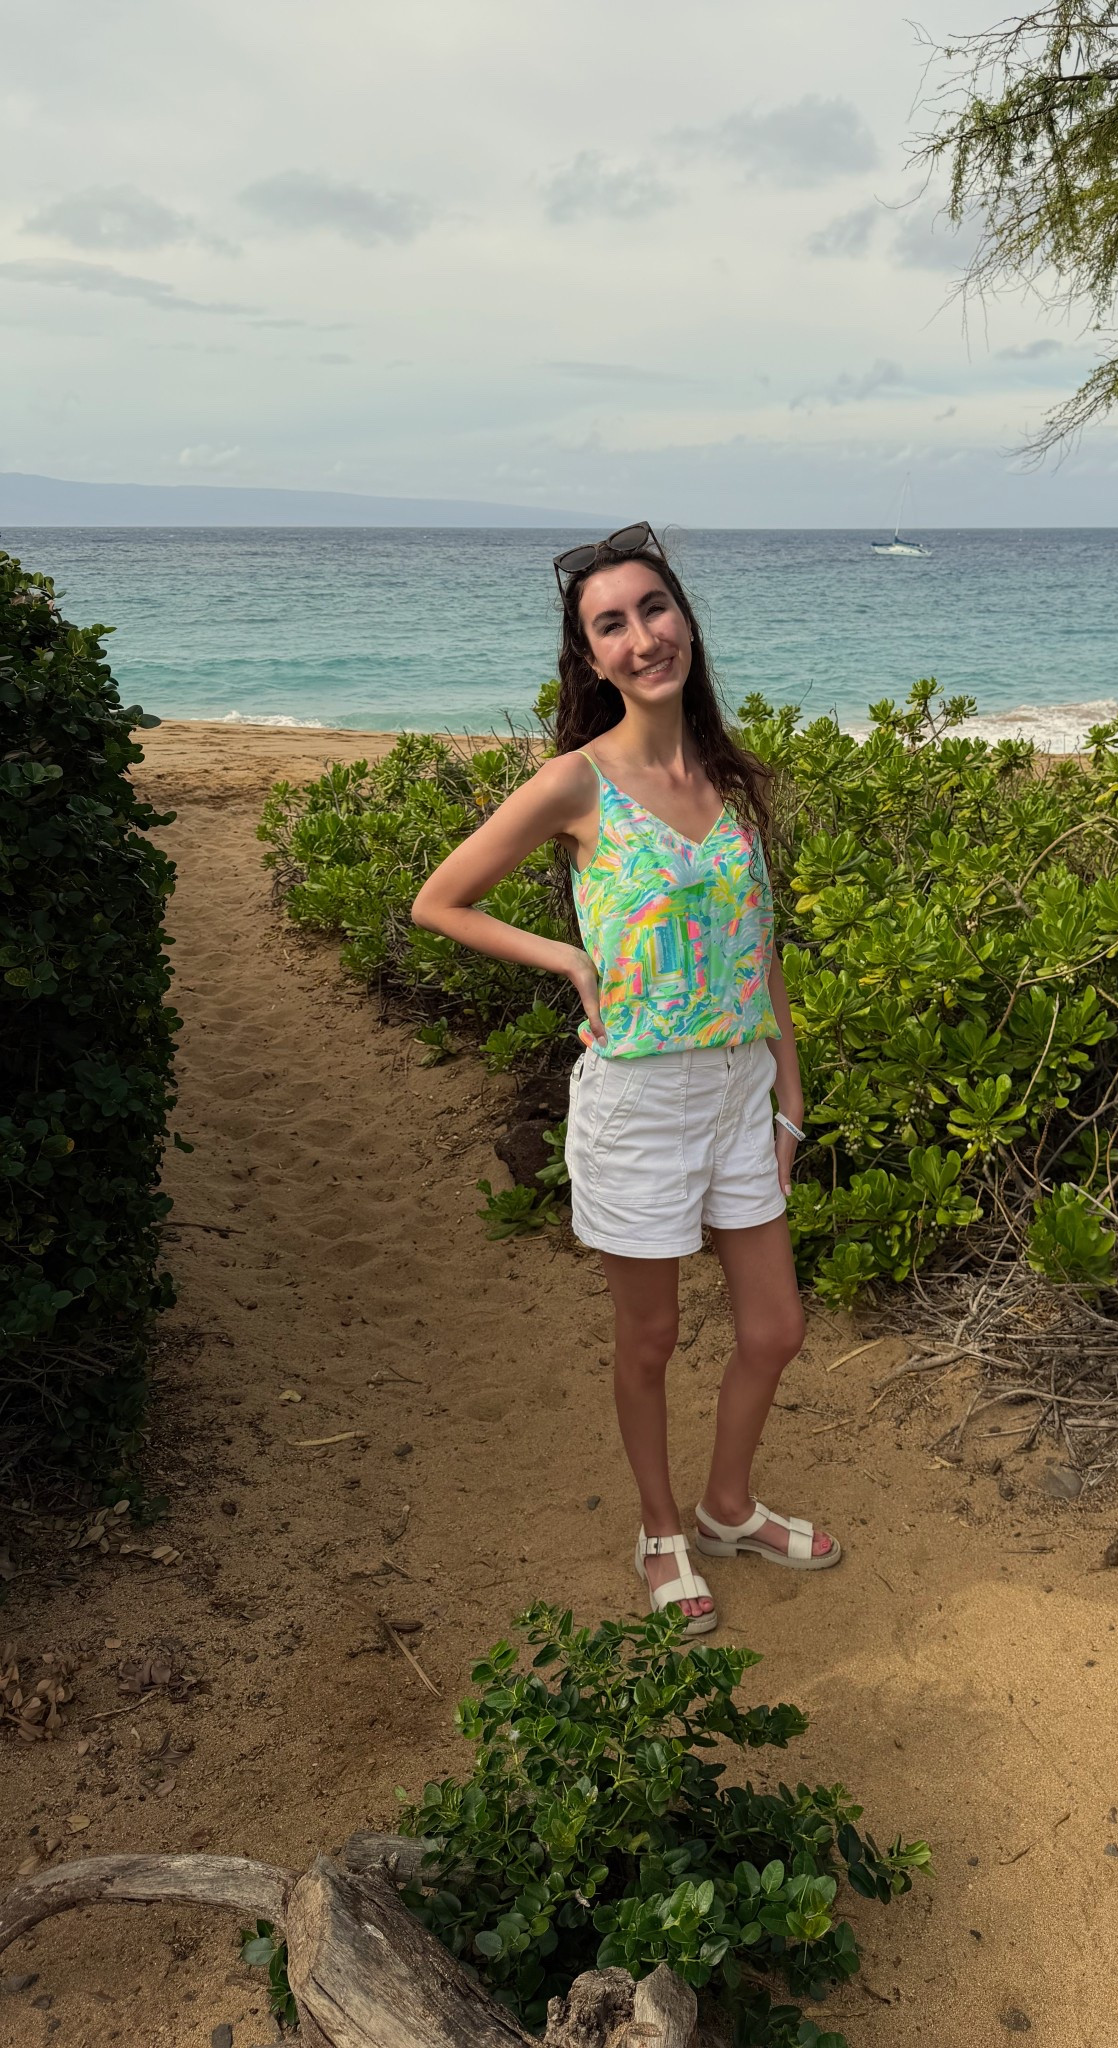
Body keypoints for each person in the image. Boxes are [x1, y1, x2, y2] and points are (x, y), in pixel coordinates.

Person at [411, 523, 839, 1633]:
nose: (644, 636)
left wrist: (791, 1096)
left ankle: (728, 1504)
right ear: (591, 657)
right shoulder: (575, 782)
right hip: (640, 1103)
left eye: (655, 608)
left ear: (684, 617)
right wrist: (564, 956)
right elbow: (438, 899)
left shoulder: (733, 781)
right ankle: (659, 1528)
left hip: (742, 1093)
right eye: (614, 623)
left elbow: (763, 952)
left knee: (774, 1328)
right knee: (649, 1338)